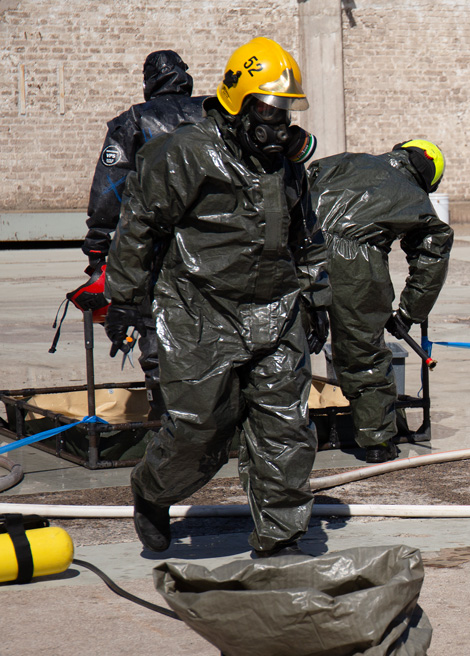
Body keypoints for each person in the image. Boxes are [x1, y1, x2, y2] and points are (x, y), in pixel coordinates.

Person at [103, 37, 330, 557]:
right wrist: (125, 298)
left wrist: (316, 302)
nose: (282, 126)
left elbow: (307, 237)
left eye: (287, 113)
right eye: (272, 112)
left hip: (276, 309)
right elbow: (139, 226)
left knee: (287, 431)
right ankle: (152, 492)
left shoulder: (286, 164)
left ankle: (280, 539)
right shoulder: (184, 153)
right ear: (240, 102)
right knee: (200, 430)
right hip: (199, 310)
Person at [78, 50, 206, 418]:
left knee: (156, 331)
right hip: (218, 243)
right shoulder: (215, 113)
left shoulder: (134, 120)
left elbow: (110, 191)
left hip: (157, 246)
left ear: (149, 81)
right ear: (185, 76)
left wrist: (98, 249)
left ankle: (170, 421)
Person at [309, 140, 454, 463]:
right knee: (363, 354)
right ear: (428, 178)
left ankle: (275, 435)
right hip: (356, 265)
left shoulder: (344, 160)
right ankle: (377, 442)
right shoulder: (412, 194)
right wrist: (408, 313)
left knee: (287, 345)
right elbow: (433, 250)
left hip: (300, 248)